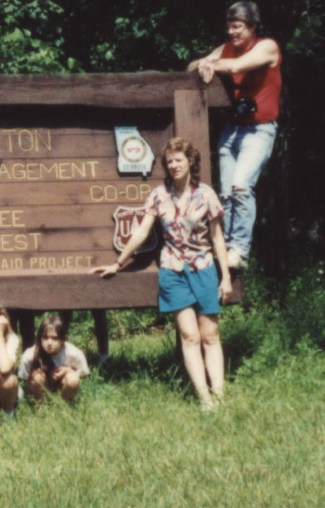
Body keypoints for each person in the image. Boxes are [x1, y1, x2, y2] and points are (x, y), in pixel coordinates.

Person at [92, 138, 232, 410]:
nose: (174, 165)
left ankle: (220, 396)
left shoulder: (206, 194)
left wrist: (225, 276)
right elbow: (142, 231)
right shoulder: (158, 195)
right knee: (189, 335)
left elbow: (217, 238)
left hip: (203, 267)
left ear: (190, 161)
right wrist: (117, 263)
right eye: (170, 161)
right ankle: (204, 399)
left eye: (179, 159)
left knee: (210, 335)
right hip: (173, 270)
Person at [188, 0, 281, 268]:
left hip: (259, 130)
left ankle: (239, 250)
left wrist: (214, 63)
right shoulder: (227, 49)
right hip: (232, 130)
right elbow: (194, 65)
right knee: (226, 193)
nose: (232, 33)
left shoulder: (267, 46)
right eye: (229, 27)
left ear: (252, 26)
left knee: (241, 186)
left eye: (238, 27)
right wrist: (205, 62)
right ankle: (226, 249)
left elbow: (239, 66)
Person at [18, 315, 89, 403]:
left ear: (63, 339)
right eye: (45, 337)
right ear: (39, 338)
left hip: (62, 385)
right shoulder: (29, 355)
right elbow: (23, 378)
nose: (49, 343)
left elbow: (84, 373)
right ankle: (42, 406)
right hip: (40, 387)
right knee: (37, 377)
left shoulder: (73, 353)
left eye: (54, 338)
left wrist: (68, 371)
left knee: (73, 379)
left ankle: (62, 405)